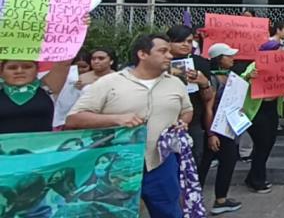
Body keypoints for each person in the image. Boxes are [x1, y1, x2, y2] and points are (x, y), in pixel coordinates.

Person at [67, 34, 193, 218]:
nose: (170, 56)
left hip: (162, 164)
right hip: (117, 167)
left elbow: (187, 110)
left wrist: (184, 122)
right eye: (163, 51)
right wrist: (117, 119)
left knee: (170, 213)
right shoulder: (109, 83)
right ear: (142, 54)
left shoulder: (175, 83)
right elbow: (74, 120)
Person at [198, 43, 243, 215]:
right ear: (218, 59)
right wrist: (211, 134)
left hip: (228, 127)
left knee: (229, 161)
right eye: (228, 56)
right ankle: (194, 201)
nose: (232, 59)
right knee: (204, 165)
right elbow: (208, 108)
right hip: (215, 129)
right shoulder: (212, 80)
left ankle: (221, 200)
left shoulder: (231, 76)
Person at [167, 25, 214, 168]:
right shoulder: (160, 62)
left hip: (193, 123)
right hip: (165, 121)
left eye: (188, 41)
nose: (185, 45)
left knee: (192, 165)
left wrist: (203, 82)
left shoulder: (200, 63)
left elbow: (208, 98)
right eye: (180, 41)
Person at [241, 41, 283, 194]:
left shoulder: (280, 66)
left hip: (271, 109)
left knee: (268, 143)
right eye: (277, 51)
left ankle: (253, 177)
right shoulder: (254, 65)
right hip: (257, 111)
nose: (280, 54)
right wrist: (248, 76)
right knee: (262, 145)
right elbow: (241, 79)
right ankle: (257, 181)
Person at [0, 58, 77, 134]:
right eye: (12, 68)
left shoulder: (47, 87)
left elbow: (64, 62)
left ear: (37, 70)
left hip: (44, 145)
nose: (19, 71)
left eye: (27, 67)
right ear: (1, 72)